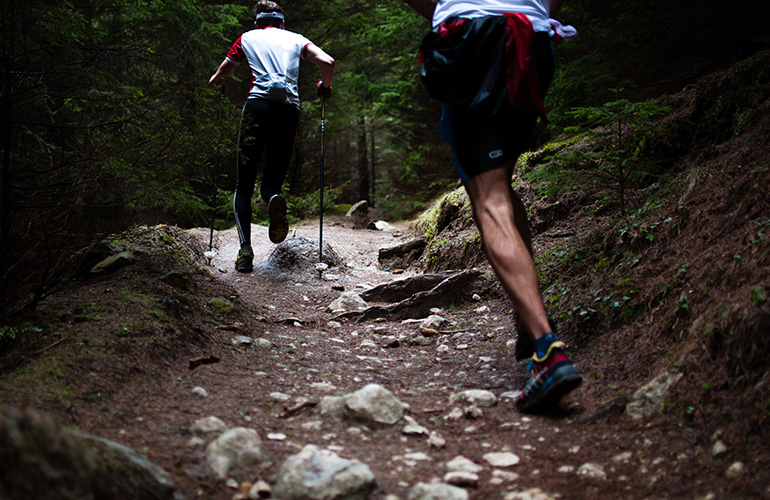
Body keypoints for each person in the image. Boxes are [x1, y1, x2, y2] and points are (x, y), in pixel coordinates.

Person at [404, 0, 581, 413]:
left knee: (489, 198)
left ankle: (546, 350)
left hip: (471, 41)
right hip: (533, 43)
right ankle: (529, 318)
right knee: (502, 182)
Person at [209, 1, 334, 273]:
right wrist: (325, 86)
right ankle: (273, 197)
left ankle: (245, 252)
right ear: (282, 23)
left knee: (243, 184)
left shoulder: (247, 38)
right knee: (272, 182)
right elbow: (328, 61)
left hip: (257, 107)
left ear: (257, 23)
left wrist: (215, 85)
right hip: (289, 111)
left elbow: (221, 75)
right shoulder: (296, 39)